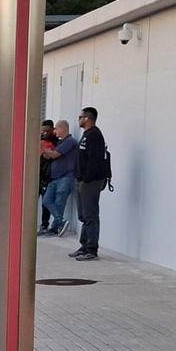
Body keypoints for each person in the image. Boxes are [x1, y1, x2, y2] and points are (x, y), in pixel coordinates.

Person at [71, 106, 107, 261]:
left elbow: (95, 160)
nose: (79, 119)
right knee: (83, 215)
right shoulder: (86, 135)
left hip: (90, 182)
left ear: (87, 118)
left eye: (81, 116)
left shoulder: (95, 135)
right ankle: (84, 245)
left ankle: (92, 249)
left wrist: (86, 179)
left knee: (90, 214)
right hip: (82, 181)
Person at [40, 119, 77, 236]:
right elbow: (48, 156)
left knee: (59, 203)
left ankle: (55, 227)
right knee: (46, 200)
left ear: (63, 128)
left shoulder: (70, 141)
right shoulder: (61, 142)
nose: (55, 131)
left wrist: (42, 147)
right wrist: (46, 152)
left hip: (66, 177)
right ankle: (61, 222)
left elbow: (54, 154)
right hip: (55, 178)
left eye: (56, 128)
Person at [40, 120, 59, 232]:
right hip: (37, 174)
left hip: (48, 175)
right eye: (44, 130)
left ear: (53, 130)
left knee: (45, 202)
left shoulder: (57, 142)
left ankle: (44, 224)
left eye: (48, 130)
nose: (45, 133)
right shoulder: (38, 140)